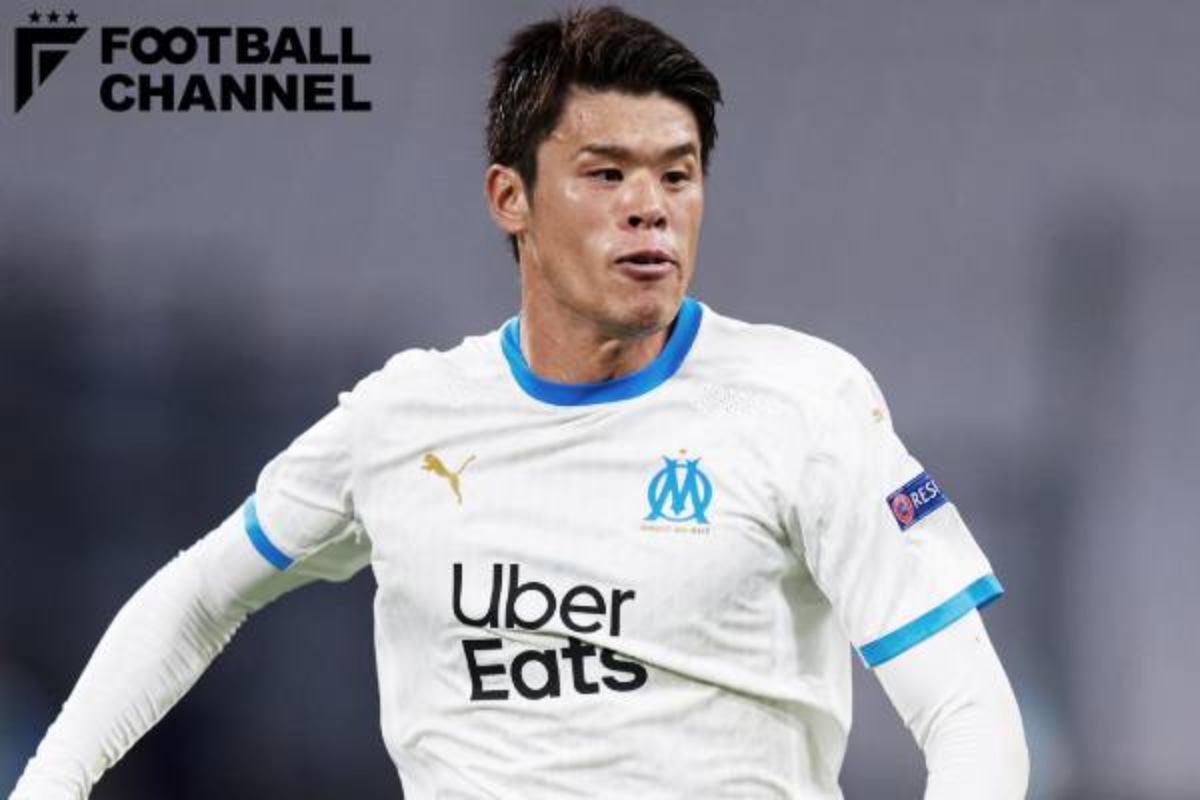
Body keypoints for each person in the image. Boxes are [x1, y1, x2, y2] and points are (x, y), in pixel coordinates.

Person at [10, 6, 1028, 798]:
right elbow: (198, 593)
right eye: (606, 173)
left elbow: (972, 714)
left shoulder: (801, 402)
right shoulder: (403, 419)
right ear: (511, 199)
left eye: (677, 175)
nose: (650, 207)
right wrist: (52, 782)